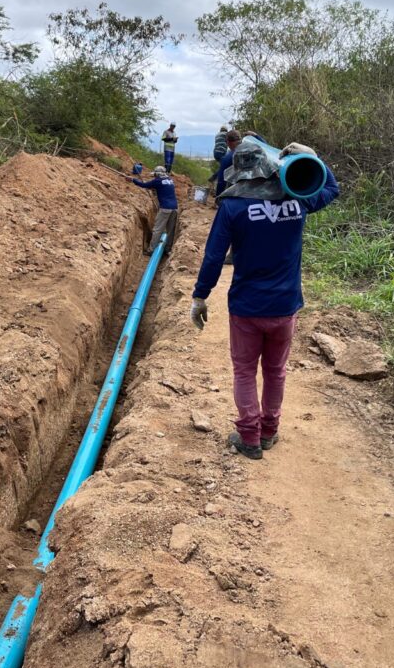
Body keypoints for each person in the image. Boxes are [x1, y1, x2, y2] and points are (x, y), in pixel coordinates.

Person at [190, 140, 339, 459]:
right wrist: (312, 156)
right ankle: (269, 431)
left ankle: (250, 437)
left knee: (244, 371)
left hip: (246, 307)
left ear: (239, 173)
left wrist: (200, 296)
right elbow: (331, 187)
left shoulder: (232, 206)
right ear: (270, 167)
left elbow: (214, 256)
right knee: (276, 370)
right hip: (285, 306)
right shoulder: (297, 199)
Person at [132, 165, 179, 254]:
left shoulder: (157, 181)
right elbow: (159, 188)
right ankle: (168, 249)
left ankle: (151, 250)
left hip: (165, 208)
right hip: (175, 208)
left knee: (158, 229)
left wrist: (133, 180)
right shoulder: (170, 180)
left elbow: (144, 185)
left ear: (157, 174)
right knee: (170, 230)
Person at [208, 129, 241, 201]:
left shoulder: (229, 157)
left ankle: (213, 177)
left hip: (238, 195)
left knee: (223, 171)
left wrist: (218, 197)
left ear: (228, 142)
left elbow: (221, 181)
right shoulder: (252, 150)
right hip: (258, 193)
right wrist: (256, 136)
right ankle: (214, 176)